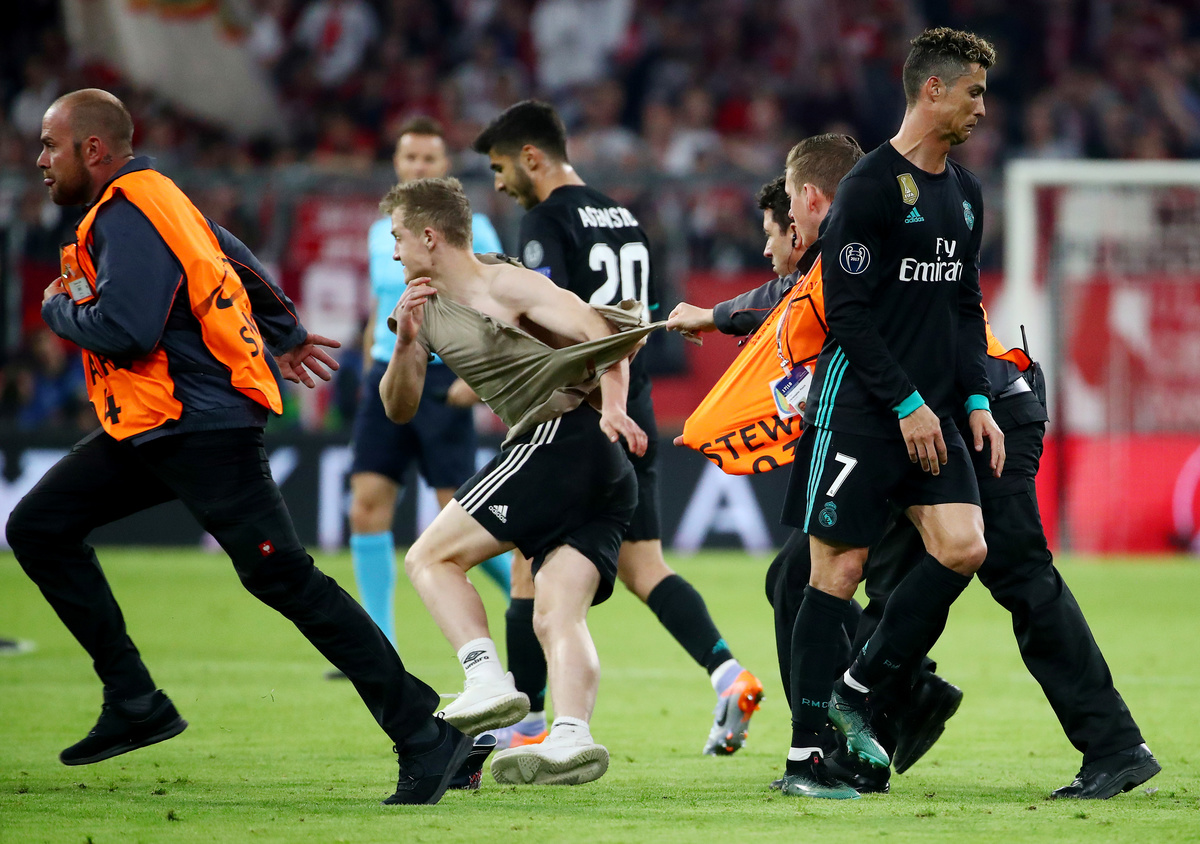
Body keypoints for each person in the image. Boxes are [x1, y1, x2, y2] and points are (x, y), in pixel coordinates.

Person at [6, 89, 472, 806]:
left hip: (200, 425)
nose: (40, 160)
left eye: (49, 145)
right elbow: (232, 254)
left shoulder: (127, 213)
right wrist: (284, 330)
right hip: (157, 424)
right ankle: (133, 698)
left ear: (92, 150)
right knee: (38, 526)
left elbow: (128, 330)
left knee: (285, 578)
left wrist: (58, 309)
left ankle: (426, 736)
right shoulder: (158, 197)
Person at [472, 100, 764, 756]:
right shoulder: (625, 216)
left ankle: (528, 721)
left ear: (532, 157)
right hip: (638, 406)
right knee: (644, 565)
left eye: (499, 167)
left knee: (524, 563)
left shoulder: (547, 220)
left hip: (581, 413)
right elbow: (636, 317)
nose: (499, 183)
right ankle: (728, 674)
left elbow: (553, 320)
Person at [776, 29, 1008, 799]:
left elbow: (965, 305)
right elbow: (845, 312)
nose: (983, 107)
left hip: (934, 413)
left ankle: (855, 691)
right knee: (835, 572)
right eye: (973, 91)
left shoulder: (966, 194)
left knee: (964, 547)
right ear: (932, 89)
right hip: (863, 411)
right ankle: (805, 759)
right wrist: (906, 402)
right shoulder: (871, 186)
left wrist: (976, 398)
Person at [377, 175, 658, 785]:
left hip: (561, 438)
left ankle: (484, 677)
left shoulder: (508, 283)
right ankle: (572, 736)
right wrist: (404, 345)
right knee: (556, 614)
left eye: (398, 237)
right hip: (604, 468)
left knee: (429, 558)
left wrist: (614, 407)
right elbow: (399, 408)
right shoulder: (421, 311)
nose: (394, 251)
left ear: (429, 236)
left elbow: (606, 334)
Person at [337, 116, 510, 680]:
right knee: (366, 503)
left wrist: (477, 377)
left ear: (444, 167)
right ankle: (379, 646)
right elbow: (380, 304)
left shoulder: (476, 230)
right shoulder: (381, 233)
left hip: (443, 376)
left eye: (428, 159)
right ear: (396, 164)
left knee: (454, 513)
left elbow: (492, 303)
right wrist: (370, 358)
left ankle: (527, 593)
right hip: (388, 373)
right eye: (409, 158)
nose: (417, 166)